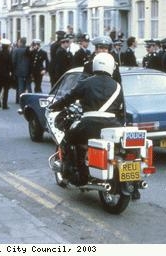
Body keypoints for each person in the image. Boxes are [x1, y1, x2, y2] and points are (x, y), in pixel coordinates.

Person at [49, 52, 125, 187]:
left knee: (68, 139)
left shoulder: (85, 83)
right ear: (111, 67)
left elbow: (68, 98)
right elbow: (121, 109)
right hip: (112, 125)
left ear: (95, 65)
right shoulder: (118, 86)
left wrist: (54, 106)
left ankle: (73, 174)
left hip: (89, 125)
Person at [0, 38, 13, 109]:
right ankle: (5, 104)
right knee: (6, 90)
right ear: (7, 46)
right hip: (6, 74)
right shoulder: (9, 54)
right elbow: (11, 65)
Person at [12, 37, 31, 103]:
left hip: (19, 71)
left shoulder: (16, 50)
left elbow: (13, 61)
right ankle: (30, 99)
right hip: (28, 71)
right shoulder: (28, 50)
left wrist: (13, 70)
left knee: (20, 86)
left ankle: (20, 100)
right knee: (28, 86)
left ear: (20, 42)